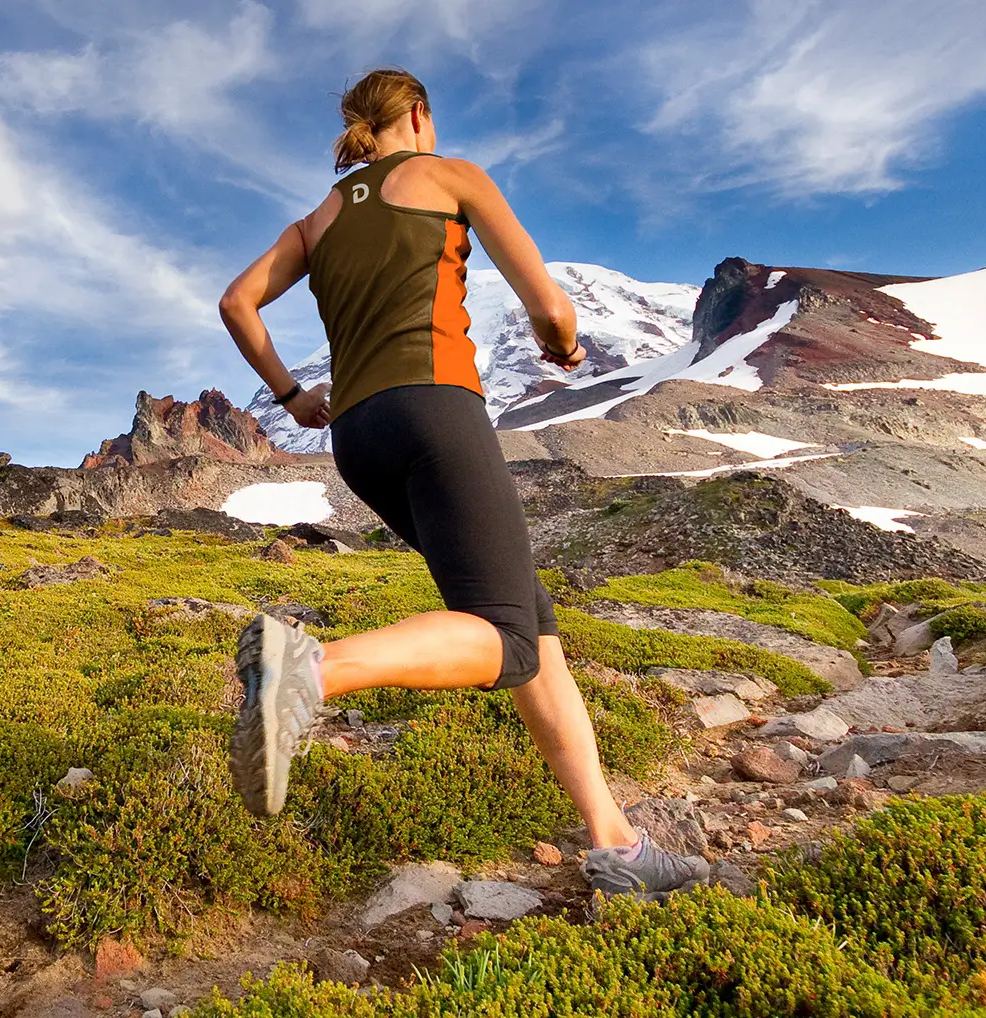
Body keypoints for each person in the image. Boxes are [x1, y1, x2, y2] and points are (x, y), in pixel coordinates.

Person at [218, 68, 708, 898]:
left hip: (358, 438)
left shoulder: (315, 222)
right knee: (508, 639)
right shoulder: (451, 176)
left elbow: (238, 303)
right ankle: (308, 671)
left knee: (527, 625)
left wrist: (296, 395)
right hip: (436, 412)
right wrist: (564, 350)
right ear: (418, 115)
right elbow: (550, 307)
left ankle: (615, 844)